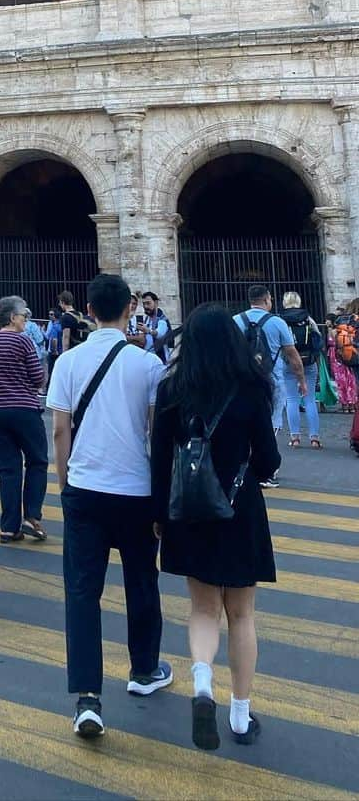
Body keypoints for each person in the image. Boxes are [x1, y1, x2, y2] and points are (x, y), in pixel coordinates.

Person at [150, 304, 281, 750]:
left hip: (189, 510)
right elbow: (269, 461)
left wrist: (158, 516)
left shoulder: (173, 389)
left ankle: (202, 687)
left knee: (204, 609)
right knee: (242, 614)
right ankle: (241, 717)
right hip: (239, 509)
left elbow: (159, 460)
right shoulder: (251, 388)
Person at [47, 272, 171, 740]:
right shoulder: (148, 365)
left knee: (82, 592)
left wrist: (65, 481)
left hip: (84, 488)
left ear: (90, 311)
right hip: (136, 491)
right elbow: (157, 436)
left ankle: (87, 698)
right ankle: (143, 670)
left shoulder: (69, 361)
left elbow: (60, 430)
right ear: (128, 311)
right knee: (142, 582)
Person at [0, 296, 48, 543]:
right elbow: (38, 377)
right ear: (11, 317)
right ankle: (32, 516)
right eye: (23, 316)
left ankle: (9, 527)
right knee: (37, 461)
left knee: (8, 469)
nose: (25, 320)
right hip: (24, 410)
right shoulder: (24, 341)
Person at [233, 286, 304, 477]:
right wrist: (302, 381)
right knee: (270, 423)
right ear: (266, 300)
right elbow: (292, 355)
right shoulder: (277, 322)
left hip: (242, 381)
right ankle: (265, 470)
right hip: (272, 380)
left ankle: (243, 466)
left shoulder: (236, 320)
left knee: (244, 422)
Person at [279, 291, 322, 448]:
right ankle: (314, 438)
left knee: (291, 400)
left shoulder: (281, 320)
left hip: (288, 363)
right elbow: (318, 341)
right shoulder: (308, 319)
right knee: (310, 399)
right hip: (309, 363)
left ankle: (295, 437)